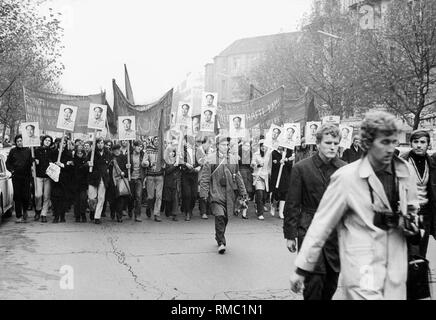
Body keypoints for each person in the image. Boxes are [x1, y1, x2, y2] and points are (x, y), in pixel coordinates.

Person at [289, 111, 420, 300]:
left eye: (394, 141)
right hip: (363, 267)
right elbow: (321, 225)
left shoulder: (405, 171)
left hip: (396, 265)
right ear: (367, 143)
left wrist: (411, 224)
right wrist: (302, 269)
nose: (391, 148)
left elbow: (414, 210)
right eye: (384, 142)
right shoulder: (346, 177)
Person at [284, 123, 345, 300]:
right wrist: (290, 234)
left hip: (335, 235)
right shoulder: (301, 168)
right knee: (313, 285)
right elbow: (293, 203)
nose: (332, 146)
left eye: (335, 143)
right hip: (309, 229)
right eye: (328, 142)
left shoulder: (344, 169)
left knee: (331, 284)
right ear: (318, 144)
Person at [199, 136, 248, 254]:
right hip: (215, 192)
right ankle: (221, 242)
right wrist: (204, 194)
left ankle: (218, 235)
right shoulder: (210, 159)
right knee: (219, 215)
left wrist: (243, 193)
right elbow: (205, 178)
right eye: (222, 145)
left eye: (227, 145)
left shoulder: (233, 159)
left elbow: (239, 177)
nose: (225, 147)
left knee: (225, 218)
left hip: (229, 194)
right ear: (217, 146)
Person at [402, 130, 436, 258]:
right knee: (408, 253)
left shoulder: (432, 163)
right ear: (411, 143)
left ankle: (420, 277)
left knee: (422, 252)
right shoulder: (402, 161)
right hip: (408, 214)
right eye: (415, 142)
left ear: (428, 144)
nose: (419, 145)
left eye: (423, 142)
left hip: (426, 214)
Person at [6, 135, 32, 223]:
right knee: (17, 196)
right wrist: (12, 170)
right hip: (16, 176)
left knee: (25, 196)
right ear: (16, 142)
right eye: (18, 141)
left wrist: (34, 161)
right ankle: (18, 216)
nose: (20, 143)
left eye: (21, 141)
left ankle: (25, 210)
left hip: (26, 176)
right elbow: (8, 163)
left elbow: (31, 162)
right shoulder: (13, 151)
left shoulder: (28, 150)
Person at [87, 137, 112, 224]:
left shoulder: (108, 153)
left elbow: (109, 163)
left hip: (103, 178)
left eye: (101, 143)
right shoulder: (92, 153)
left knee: (101, 198)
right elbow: (87, 162)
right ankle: (92, 210)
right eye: (98, 143)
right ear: (96, 144)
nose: (100, 144)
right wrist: (88, 164)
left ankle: (97, 216)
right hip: (93, 177)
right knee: (91, 198)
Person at [51, 138, 74, 223]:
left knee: (63, 198)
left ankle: (62, 215)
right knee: (55, 197)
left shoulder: (68, 153)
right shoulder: (53, 152)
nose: (63, 145)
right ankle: (56, 215)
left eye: (64, 143)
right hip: (55, 178)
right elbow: (49, 163)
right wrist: (54, 164)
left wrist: (63, 165)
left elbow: (71, 166)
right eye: (61, 143)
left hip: (64, 178)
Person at [34, 135, 56, 222]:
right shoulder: (37, 150)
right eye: (46, 140)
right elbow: (32, 160)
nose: (47, 142)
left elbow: (54, 162)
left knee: (47, 196)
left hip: (48, 176)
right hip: (38, 176)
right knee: (38, 195)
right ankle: (38, 209)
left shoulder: (52, 152)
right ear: (43, 141)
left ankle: (44, 213)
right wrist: (34, 160)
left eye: (49, 141)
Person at [143, 136, 164, 222]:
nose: (157, 141)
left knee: (159, 196)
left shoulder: (162, 151)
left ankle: (156, 214)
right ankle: (149, 207)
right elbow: (143, 162)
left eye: (158, 140)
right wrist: (149, 163)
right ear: (152, 141)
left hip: (159, 176)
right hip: (150, 176)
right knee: (151, 196)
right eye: (155, 140)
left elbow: (167, 160)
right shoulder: (148, 150)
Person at [180, 136, 200, 221]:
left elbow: (201, 160)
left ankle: (191, 209)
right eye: (185, 141)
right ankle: (187, 212)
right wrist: (185, 164)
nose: (185, 143)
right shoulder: (181, 151)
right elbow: (179, 161)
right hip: (186, 175)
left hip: (194, 174)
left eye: (186, 142)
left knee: (194, 195)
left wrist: (199, 167)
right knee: (187, 194)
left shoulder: (197, 151)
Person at [270, 146, 294, 219]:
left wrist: (287, 160)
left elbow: (290, 165)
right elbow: (273, 165)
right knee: (276, 193)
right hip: (276, 176)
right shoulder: (274, 153)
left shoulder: (288, 152)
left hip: (285, 176)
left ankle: (281, 211)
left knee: (284, 193)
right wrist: (279, 162)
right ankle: (273, 206)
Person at [108, 144, 130, 223]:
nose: (117, 151)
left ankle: (119, 215)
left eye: (118, 149)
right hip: (111, 181)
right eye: (115, 150)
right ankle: (112, 212)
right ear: (113, 151)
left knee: (120, 199)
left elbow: (128, 169)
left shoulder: (124, 158)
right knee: (112, 200)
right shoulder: (110, 158)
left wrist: (125, 172)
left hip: (120, 180)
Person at [129, 140, 147, 222]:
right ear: (134, 147)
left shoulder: (143, 155)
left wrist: (147, 163)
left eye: (141, 146)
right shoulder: (129, 155)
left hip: (139, 178)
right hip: (130, 179)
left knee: (138, 197)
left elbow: (147, 164)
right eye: (138, 146)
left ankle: (138, 215)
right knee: (131, 197)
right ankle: (130, 209)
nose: (140, 148)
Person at [251, 140, 269, 220]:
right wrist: (257, 165)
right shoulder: (256, 154)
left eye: (265, 146)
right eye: (262, 146)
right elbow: (252, 164)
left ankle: (258, 205)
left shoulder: (269, 154)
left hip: (266, 177)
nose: (263, 148)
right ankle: (260, 213)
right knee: (260, 194)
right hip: (258, 176)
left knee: (264, 196)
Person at [163, 143, 181, 221]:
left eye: (174, 152)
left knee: (175, 198)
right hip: (168, 182)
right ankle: (168, 211)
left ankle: (175, 214)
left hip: (175, 182)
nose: (172, 153)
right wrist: (174, 166)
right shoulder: (166, 161)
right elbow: (167, 171)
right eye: (171, 151)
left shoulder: (177, 160)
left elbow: (181, 166)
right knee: (168, 199)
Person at [196, 136, 212, 219]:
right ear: (204, 143)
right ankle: (203, 212)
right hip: (202, 174)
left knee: (209, 192)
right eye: (208, 143)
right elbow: (199, 161)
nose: (209, 145)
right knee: (202, 193)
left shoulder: (211, 150)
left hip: (210, 174)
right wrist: (207, 159)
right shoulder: (199, 150)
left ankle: (208, 209)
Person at [73, 144, 88, 223]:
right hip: (75, 183)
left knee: (83, 199)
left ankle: (83, 213)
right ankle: (77, 215)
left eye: (81, 153)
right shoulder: (73, 160)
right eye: (78, 152)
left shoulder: (86, 160)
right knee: (77, 200)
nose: (79, 154)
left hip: (83, 183)